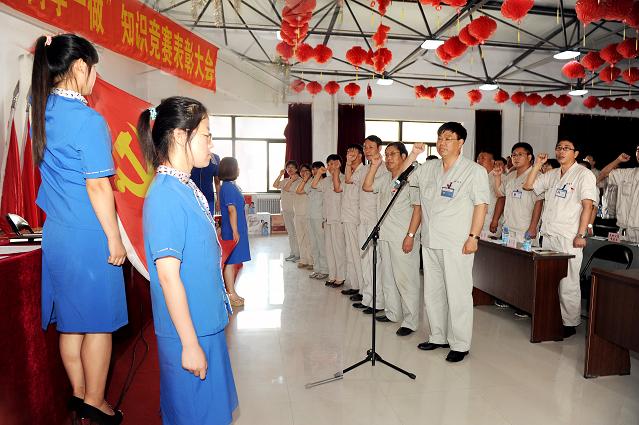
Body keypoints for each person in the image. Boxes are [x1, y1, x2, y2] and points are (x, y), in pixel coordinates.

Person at [31, 34, 128, 424]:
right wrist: (115, 238)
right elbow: (98, 186)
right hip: (89, 236)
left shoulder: (42, 111)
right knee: (99, 325)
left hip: (57, 234)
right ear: (79, 67)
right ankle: (96, 401)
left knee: (71, 324)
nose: (94, 78)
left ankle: (78, 393)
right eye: (93, 70)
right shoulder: (88, 120)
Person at [140, 97, 238, 425]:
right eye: (207, 135)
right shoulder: (166, 195)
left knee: (211, 414)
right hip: (190, 331)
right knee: (195, 415)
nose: (211, 144)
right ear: (181, 135)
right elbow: (168, 277)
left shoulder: (184, 186)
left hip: (204, 323)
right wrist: (190, 344)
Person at [407, 122, 489, 363]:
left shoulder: (474, 171)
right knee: (433, 292)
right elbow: (403, 175)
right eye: (439, 138)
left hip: (457, 242)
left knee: (458, 293)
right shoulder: (429, 168)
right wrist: (413, 154)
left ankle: (460, 343)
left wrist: (473, 237)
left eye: (448, 138)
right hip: (430, 239)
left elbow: (481, 205)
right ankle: (438, 336)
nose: (442, 143)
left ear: (461, 142)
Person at [523, 139, 597, 338]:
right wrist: (537, 165)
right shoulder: (552, 174)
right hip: (549, 234)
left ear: (576, 153)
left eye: (566, 148)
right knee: (548, 279)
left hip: (569, 236)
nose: (561, 151)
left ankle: (569, 322)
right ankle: (552, 316)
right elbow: (528, 186)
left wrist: (581, 234)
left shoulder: (583, 174)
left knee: (568, 281)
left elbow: (588, 206)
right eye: (558, 148)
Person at [363, 142, 421, 337]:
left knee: (406, 280)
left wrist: (410, 235)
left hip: (403, 237)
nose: (388, 158)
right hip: (385, 235)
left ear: (404, 156)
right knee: (388, 277)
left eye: (393, 154)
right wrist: (374, 165)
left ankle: (410, 321)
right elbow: (367, 186)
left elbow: (418, 209)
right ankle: (392, 312)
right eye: (386, 155)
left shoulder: (412, 177)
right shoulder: (386, 178)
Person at [356, 135, 388, 312]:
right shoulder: (364, 169)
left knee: (376, 263)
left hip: (375, 221)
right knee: (365, 262)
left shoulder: (384, 169)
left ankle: (379, 302)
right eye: (365, 147)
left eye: (370, 147)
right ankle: (368, 298)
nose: (367, 150)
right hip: (363, 219)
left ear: (379, 148)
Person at [492, 142, 543, 244]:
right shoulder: (511, 176)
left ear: (529, 157)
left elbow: (539, 202)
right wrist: (497, 177)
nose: (516, 158)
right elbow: (500, 194)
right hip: (508, 227)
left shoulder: (537, 176)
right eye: (514, 155)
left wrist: (533, 227)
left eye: (520, 155)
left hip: (525, 229)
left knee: (524, 254)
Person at [219, 157, 251, 307]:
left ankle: (232, 292)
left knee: (232, 262)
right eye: (236, 167)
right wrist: (235, 231)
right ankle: (230, 294)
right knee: (230, 262)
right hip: (232, 230)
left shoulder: (230, 186)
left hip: (236, 228)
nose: (238, 170)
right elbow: (231, 210)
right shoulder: (228, 188)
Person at [335, 144, 366, 295]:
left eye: (353, 152)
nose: (350, 155)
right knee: (350, 253)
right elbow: (338, 188)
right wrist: (337, 170)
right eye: (348, 152)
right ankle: (355, 285)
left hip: (356, 218)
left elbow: (348, 181)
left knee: (357, 254)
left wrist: (347, 164)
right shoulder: (350, 171)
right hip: (347, 217)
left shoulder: (363, 170)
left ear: (360, 155)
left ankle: (363, 289)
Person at [596, 146, 639, 243]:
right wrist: (618, 160)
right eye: (638, 150)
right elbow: (603, 174)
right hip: (623, 232)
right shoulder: (627, 173)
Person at [320, 155, 347, 287]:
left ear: (339, 164)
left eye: (333, 163)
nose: (331, 166)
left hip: (338, 219)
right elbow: (323, 200)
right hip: (327, 219)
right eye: (329, 164)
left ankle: (340, 277)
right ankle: (332, 275)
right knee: (329, 250)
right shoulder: (325, 181)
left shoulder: (344, 178)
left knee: (339, 249)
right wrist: (323, 218)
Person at [273, 161, 300, 262]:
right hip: (286, 210)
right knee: (290, 233)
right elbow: (275, 185)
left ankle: (299, 254)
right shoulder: (285, 180)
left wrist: (292, 180)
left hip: (295, 211)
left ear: (296, 169)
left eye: (292, 167)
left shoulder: (299, 180)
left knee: (297, 233)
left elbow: (287, 189)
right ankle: (293, 253)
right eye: (288, 167)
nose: (290, 169)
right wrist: (280, 174)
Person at [307, 161, 329, 280]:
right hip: (310, 216)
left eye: (317, 169)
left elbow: (326, 202)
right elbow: (303, 191)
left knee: (321, 244)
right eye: (313, 169)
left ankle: (325, 269)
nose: (314, 171)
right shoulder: (311, 182)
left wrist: (324, 219)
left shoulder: (326, 182)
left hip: (319, 217)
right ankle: (317, 268)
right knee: (313, 244)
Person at [290, 163, 313, 269]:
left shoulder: (312, 182)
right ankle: (303, 260)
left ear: (310, 172)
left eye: (306, 170)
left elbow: (301, 192)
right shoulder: (297, 182)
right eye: (302, 171)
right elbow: (292, 190)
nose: (304, 173)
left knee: (309, 239)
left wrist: (305, 180)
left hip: (307, 214)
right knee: (300, 238)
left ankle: (311, 261)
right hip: (297, 214)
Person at [477, 151, 501, 236]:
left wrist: (495, 220)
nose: (479, 161)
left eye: (483, 158)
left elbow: (501, 199)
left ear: (492, 161)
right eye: (478, 158)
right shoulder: (478, 177)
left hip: (490, 221)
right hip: (477, 220)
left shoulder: (499, 177)